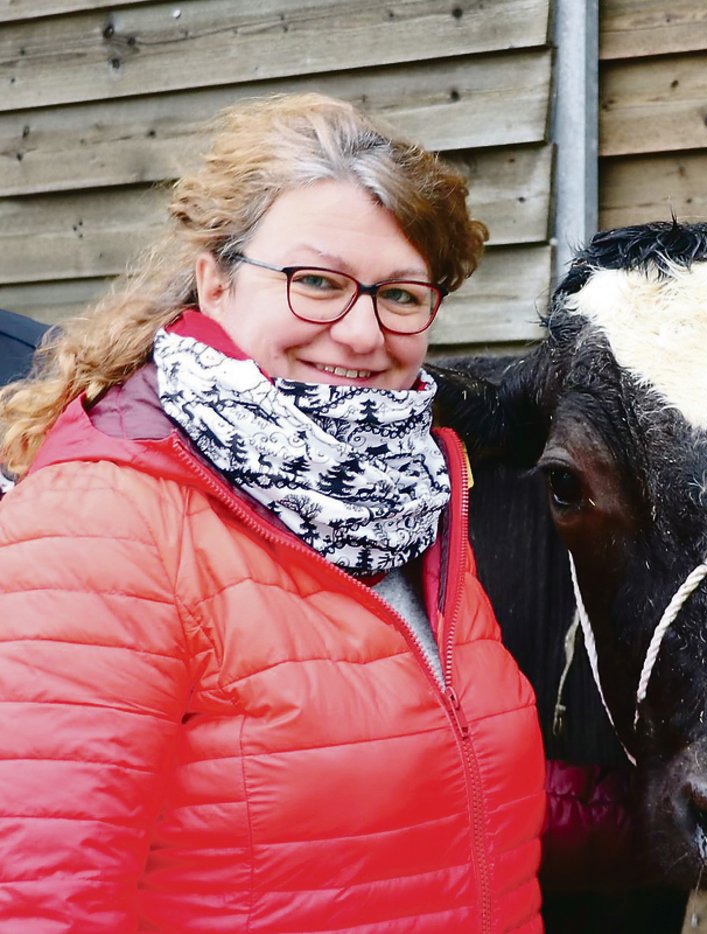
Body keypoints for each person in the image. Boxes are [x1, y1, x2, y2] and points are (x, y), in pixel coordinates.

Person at [0, 93, 619, 931]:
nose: (362, 333)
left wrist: (660, 815)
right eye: (317, 283)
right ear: (216, 282)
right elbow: (38, 895)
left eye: (401, 295)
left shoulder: (407, 500)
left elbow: (430, 781)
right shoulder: (102, 525)